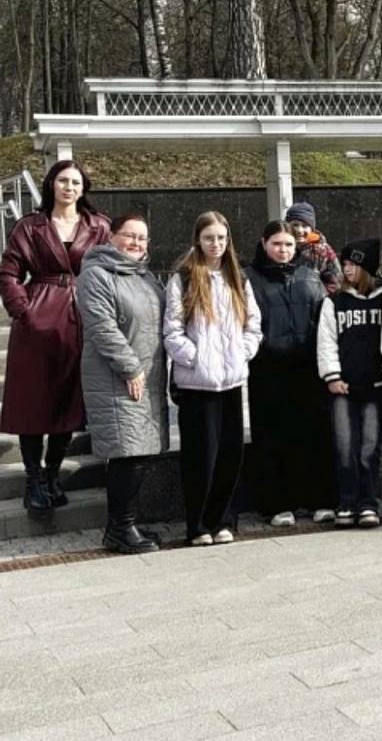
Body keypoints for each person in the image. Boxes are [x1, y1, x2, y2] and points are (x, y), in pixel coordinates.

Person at [0, 160, 111, 517]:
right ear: (51, 184)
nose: (69, 187)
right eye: (63, 181)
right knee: (33, 402)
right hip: (37, 319)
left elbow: (112, 269)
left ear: (83, 188)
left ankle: (51, 475)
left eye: (76, 182)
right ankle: (33, 480)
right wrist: (23, 311)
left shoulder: (99, 226)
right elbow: (9, 271)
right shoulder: (30, 226)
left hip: (81, 318)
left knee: (69, 402)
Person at [163, 211, 263, 546]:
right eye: (209, 238)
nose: (215, 244)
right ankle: (198, 525)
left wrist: (243, 351)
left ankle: (224, 520)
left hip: (231, 382)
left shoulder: (238, 278)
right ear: (198, 239)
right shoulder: (184, 278)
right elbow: (172, 330)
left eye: (221, 238)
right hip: (197, 384)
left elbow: (253, 324)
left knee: (230, 455)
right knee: (200, 458)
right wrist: (195, 358)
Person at [78, 214, 168, 554]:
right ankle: (119, 528)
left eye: (142, 238)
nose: (136, 243)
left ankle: (127, 523)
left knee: (137, 453)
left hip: (148, 377)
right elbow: (102, 327)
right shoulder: (96, 275)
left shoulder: (145, 277)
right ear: (111, 237)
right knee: (126, 454)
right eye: (129, 236)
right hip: (118, 378)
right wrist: (130, 368)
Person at [247, 220, 334, 528]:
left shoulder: (309, 276)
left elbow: (323, 320)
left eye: (288, 245)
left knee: (314, 435)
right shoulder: (249, 278)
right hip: (268, 370)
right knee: (273, 437)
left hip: (307, 369)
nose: (282, 250)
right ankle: (277, 504)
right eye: (276, 244)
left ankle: (320, 499)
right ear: (264, 243)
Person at [318, 238, 382, 528]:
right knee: (345, 445)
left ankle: (368, 503)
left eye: (353, 265)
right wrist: (332, 375)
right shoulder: (333, 302)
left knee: (369, 446)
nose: (347, 270)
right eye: (344, 264)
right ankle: (346, 501)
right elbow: (326, 341)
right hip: (343, 387)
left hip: (375, 385)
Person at [285, 201, 342, 294]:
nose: (299, 230)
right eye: (295, 225)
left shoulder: (322, 250)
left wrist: (319, 296)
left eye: (305, 226)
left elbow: (336, 281)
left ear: (312, 229)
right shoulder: (280, 248)